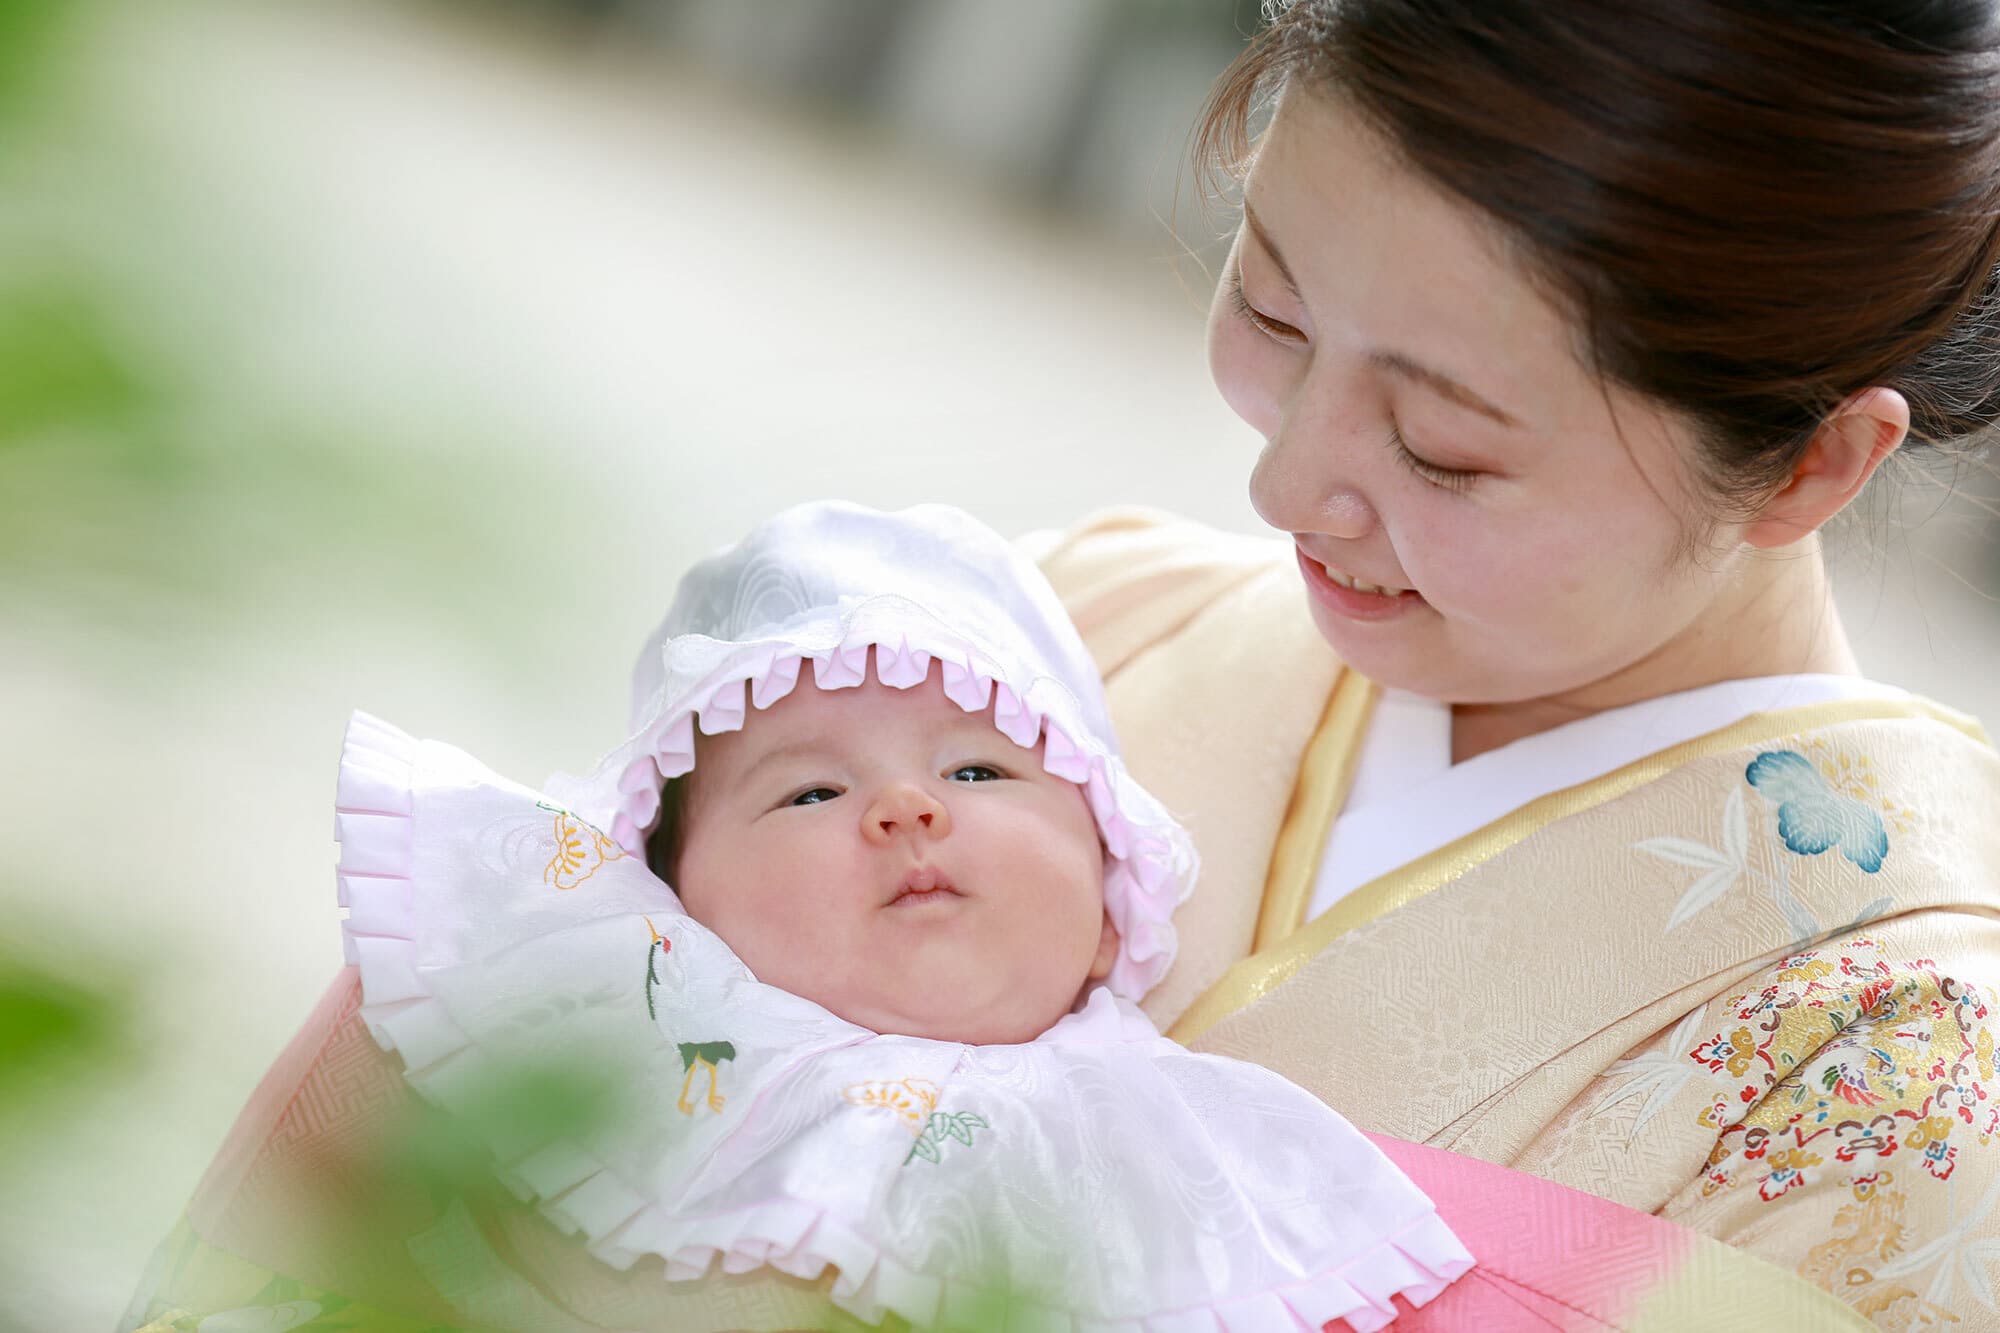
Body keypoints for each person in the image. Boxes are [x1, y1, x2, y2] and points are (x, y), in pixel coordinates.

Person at [1022, 2, 2000, 1327]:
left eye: (1442, 447)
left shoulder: (1898, 1101)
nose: (1284, 484)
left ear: (1810, 463)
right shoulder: (1079, 625)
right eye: (1272, 308)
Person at [317, 499, 1475, 1330]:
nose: (905, 808)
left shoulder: (1187, 1155)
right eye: (810, 790)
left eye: (977, 771)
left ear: (1117, 894)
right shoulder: (602, 1042)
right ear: (669, 897)